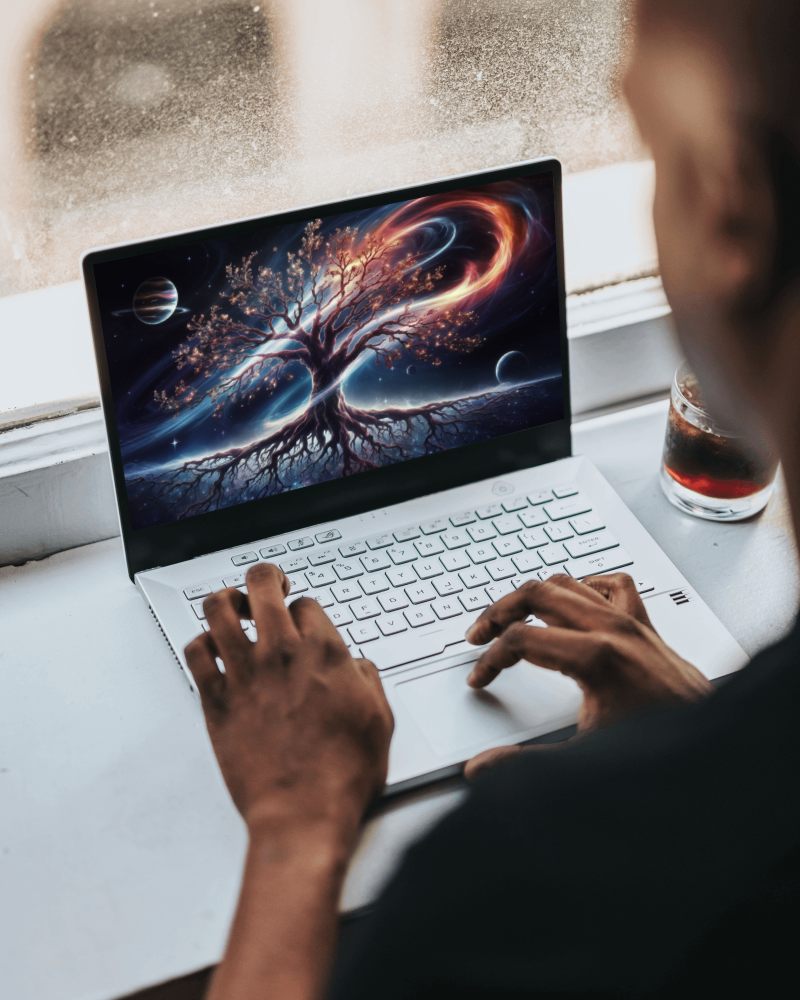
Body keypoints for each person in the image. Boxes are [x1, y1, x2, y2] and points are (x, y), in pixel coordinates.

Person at [183, 1, 800, 996]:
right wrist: (702, 738)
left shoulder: (512, 888)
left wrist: (297, 822)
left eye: (649, 141)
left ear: (729, 204)